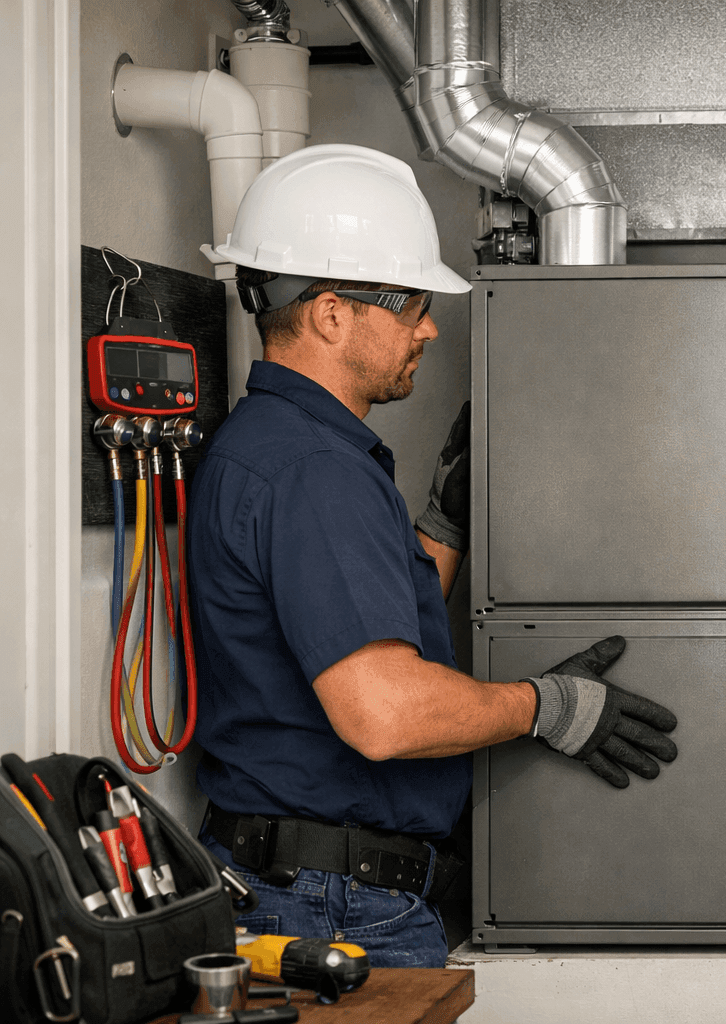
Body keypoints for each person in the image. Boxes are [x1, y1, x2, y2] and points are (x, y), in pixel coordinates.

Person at [187, 145, 679, 968]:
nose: (429, 327)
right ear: (332, 313)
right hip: (335, 910)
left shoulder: (282, 448)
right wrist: (544, 706)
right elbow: (382, 713)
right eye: (412, 303)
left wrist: (444, 527)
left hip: (310, 891)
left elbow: (356, 622)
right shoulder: (313, 471)